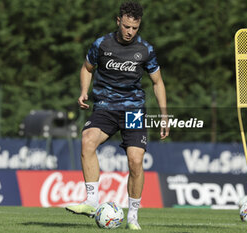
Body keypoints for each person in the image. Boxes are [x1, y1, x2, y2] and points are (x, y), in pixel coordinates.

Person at [65, 1, 169, 230]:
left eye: (135, 27)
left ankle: (132, 217)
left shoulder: (145, 50)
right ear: (118, 21)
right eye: (127, 26)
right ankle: (92, 201)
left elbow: (158, 82)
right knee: (87, 140)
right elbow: (87, 68)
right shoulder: (101, 44)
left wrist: (164, 115)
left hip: (133, 111)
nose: (130, 32)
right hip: (105, 107)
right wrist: (84, 91)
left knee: (135, 161)